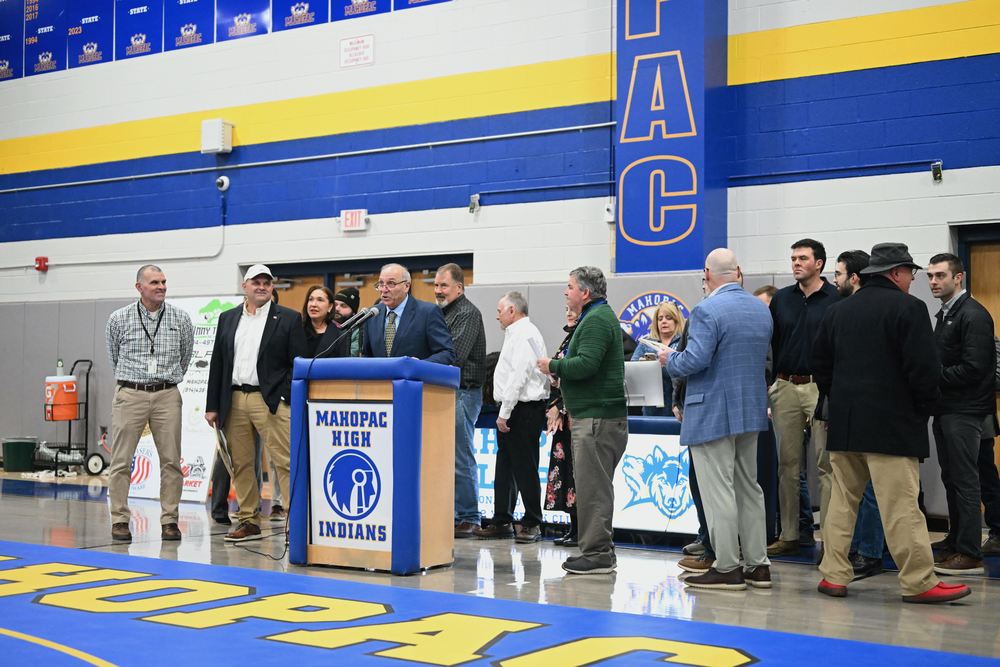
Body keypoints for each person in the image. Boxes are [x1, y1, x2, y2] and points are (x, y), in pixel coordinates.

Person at [812, 242, 970, 603]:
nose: (913, 280)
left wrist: (841, 400)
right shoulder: (910, 309)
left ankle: (834, 576)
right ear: (896, 273)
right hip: (892, 426)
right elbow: (923, 370)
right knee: (900, 507)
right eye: (911, 274)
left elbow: (819, 362)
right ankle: (919, 582)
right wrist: (923, 410)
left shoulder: (839, 311)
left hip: (847, 424)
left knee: (840, 504)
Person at [662, 249, 772, 590]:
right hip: (750, 409)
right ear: (738, 272)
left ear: (707, 274)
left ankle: (727, 566)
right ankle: (758, 564)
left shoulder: (707, 309)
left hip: (711, 411)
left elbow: (695, 360)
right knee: (749, 488)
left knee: (718, 491)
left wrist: (669, 358)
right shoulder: (760, 309)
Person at [205, 264, 307, 543]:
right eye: (255, 282)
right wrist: (212, 404)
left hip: (270, 399)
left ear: (272, 287)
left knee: (285, 462)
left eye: (266, 282)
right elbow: (218, 363)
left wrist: (285, 395)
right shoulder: (227, 318)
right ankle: (248, 520)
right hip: (234, 399)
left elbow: (297, 363)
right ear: (245, 286)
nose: (261, 286)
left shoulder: (287, 318)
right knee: (241, 464)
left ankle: (296, 523)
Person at [538, 267, 627, 575]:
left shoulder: (596, 320)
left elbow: (586, 365)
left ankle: (598, 553)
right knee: (593, 488)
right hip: (595, 416)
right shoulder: (597, 318)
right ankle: (599, 549)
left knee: (593, 490)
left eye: (569, 287)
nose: (566, 292)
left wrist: (553, 364)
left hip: (596, 419)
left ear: (585, 292)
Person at [106, 265, 194, 543]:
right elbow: (114, 356)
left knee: (171, 461)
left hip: (167, 393)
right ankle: (120, 519)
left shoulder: (180, 318)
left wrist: (165, 381)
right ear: (139, 287)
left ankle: (170, 520)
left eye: (164, 282)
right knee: (121, 461)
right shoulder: (118, 319)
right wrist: (133, 384)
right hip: (130, 393)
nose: (161, 286)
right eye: (154, 282)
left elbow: (185, 356)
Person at [767, 239, 841, 556]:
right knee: (787, 464)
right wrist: (770, 386)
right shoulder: (781, 299)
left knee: (827, 464)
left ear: (819, 263)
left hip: (820, 386)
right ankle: (790, 533)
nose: (796, 263)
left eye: (803, 258)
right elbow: (770, 345)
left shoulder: (835, 298)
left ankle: (829, 537)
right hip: (785, 385)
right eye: (793, 258)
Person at [926, 252, 995, 576]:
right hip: (948, 410)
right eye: (930, 276)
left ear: (958, 278)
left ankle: (969, 553)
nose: (933, 282)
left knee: (966, 480)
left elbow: (974, 369)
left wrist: (932, 376)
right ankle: (956, 540)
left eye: (940, 276)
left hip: (965, 412)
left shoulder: (973, 315)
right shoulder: (947, 315)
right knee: (951, 477)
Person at [475, 292, 549, 543]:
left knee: (525, 466)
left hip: (524, 409)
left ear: (512, 311)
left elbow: (520, 376)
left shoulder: (525, 333)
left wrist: (505, 412)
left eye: (499, 310)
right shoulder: (515, 333)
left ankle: (532, 521)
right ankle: (502, 518)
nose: (496, 315)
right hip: (514, 407)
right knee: (505, 465)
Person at [830, 249, 886, 580]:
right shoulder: (840, 312)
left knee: (872, 490)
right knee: (852, 491)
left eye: (838, 274)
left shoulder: (852, 312)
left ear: (854, 278)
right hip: (851, 413)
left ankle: (868, 551)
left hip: (867, 414)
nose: (834, 280)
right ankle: (854, 551)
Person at [433, 263, 488, 538]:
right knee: (444, 457)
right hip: (444, 393)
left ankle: (469, 516)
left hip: (463, 393)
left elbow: (454, 355)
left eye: (444, 286)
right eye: (436, 285)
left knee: (460, 457)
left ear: (459, 288)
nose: (438, 291)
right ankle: (453, 514)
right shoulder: (441, 313)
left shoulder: (467, 313)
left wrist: (422, 361)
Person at [361, 263, 455, 365]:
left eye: (391, 283)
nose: (383, 289)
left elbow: (447, 353)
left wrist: (420, 365)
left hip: (415, 379)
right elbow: (367, 355)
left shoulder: (428, 312)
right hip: (381, 380)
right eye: (381, 284)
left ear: (406, 286)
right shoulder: (372, 314)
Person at [545, 307, 579, 546]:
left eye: (572, 310)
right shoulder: (567, 339)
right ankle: (571, 526)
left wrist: (562, 406)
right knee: (564, 473)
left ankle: (580, 529)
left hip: (577, 416)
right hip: (563, 421)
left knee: (578, 475)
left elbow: (576, 376)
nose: (568, 313)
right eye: (565, 310)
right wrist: (554, 406)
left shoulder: (582, 339)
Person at [630, 301, 684, 416]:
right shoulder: (646, 343)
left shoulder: (684, 342)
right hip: (651, 407)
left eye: (668, 318)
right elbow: (633, 369)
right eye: (660, 319)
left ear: (676, 320)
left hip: (678, 406)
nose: (663, 321)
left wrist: (654, 366)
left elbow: (684, 370)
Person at [301, 285, 343, 358]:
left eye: (320, 300)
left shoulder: (339, 335)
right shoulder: (296, 329)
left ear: (330, 307)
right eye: (310, 299)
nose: (313, 304)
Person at [333, 286, 363, 357]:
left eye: (343, 306)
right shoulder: (326, 325)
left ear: (353, 312)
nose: (337, 309)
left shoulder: (358, 331)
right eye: (335, 305)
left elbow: (352, 356)